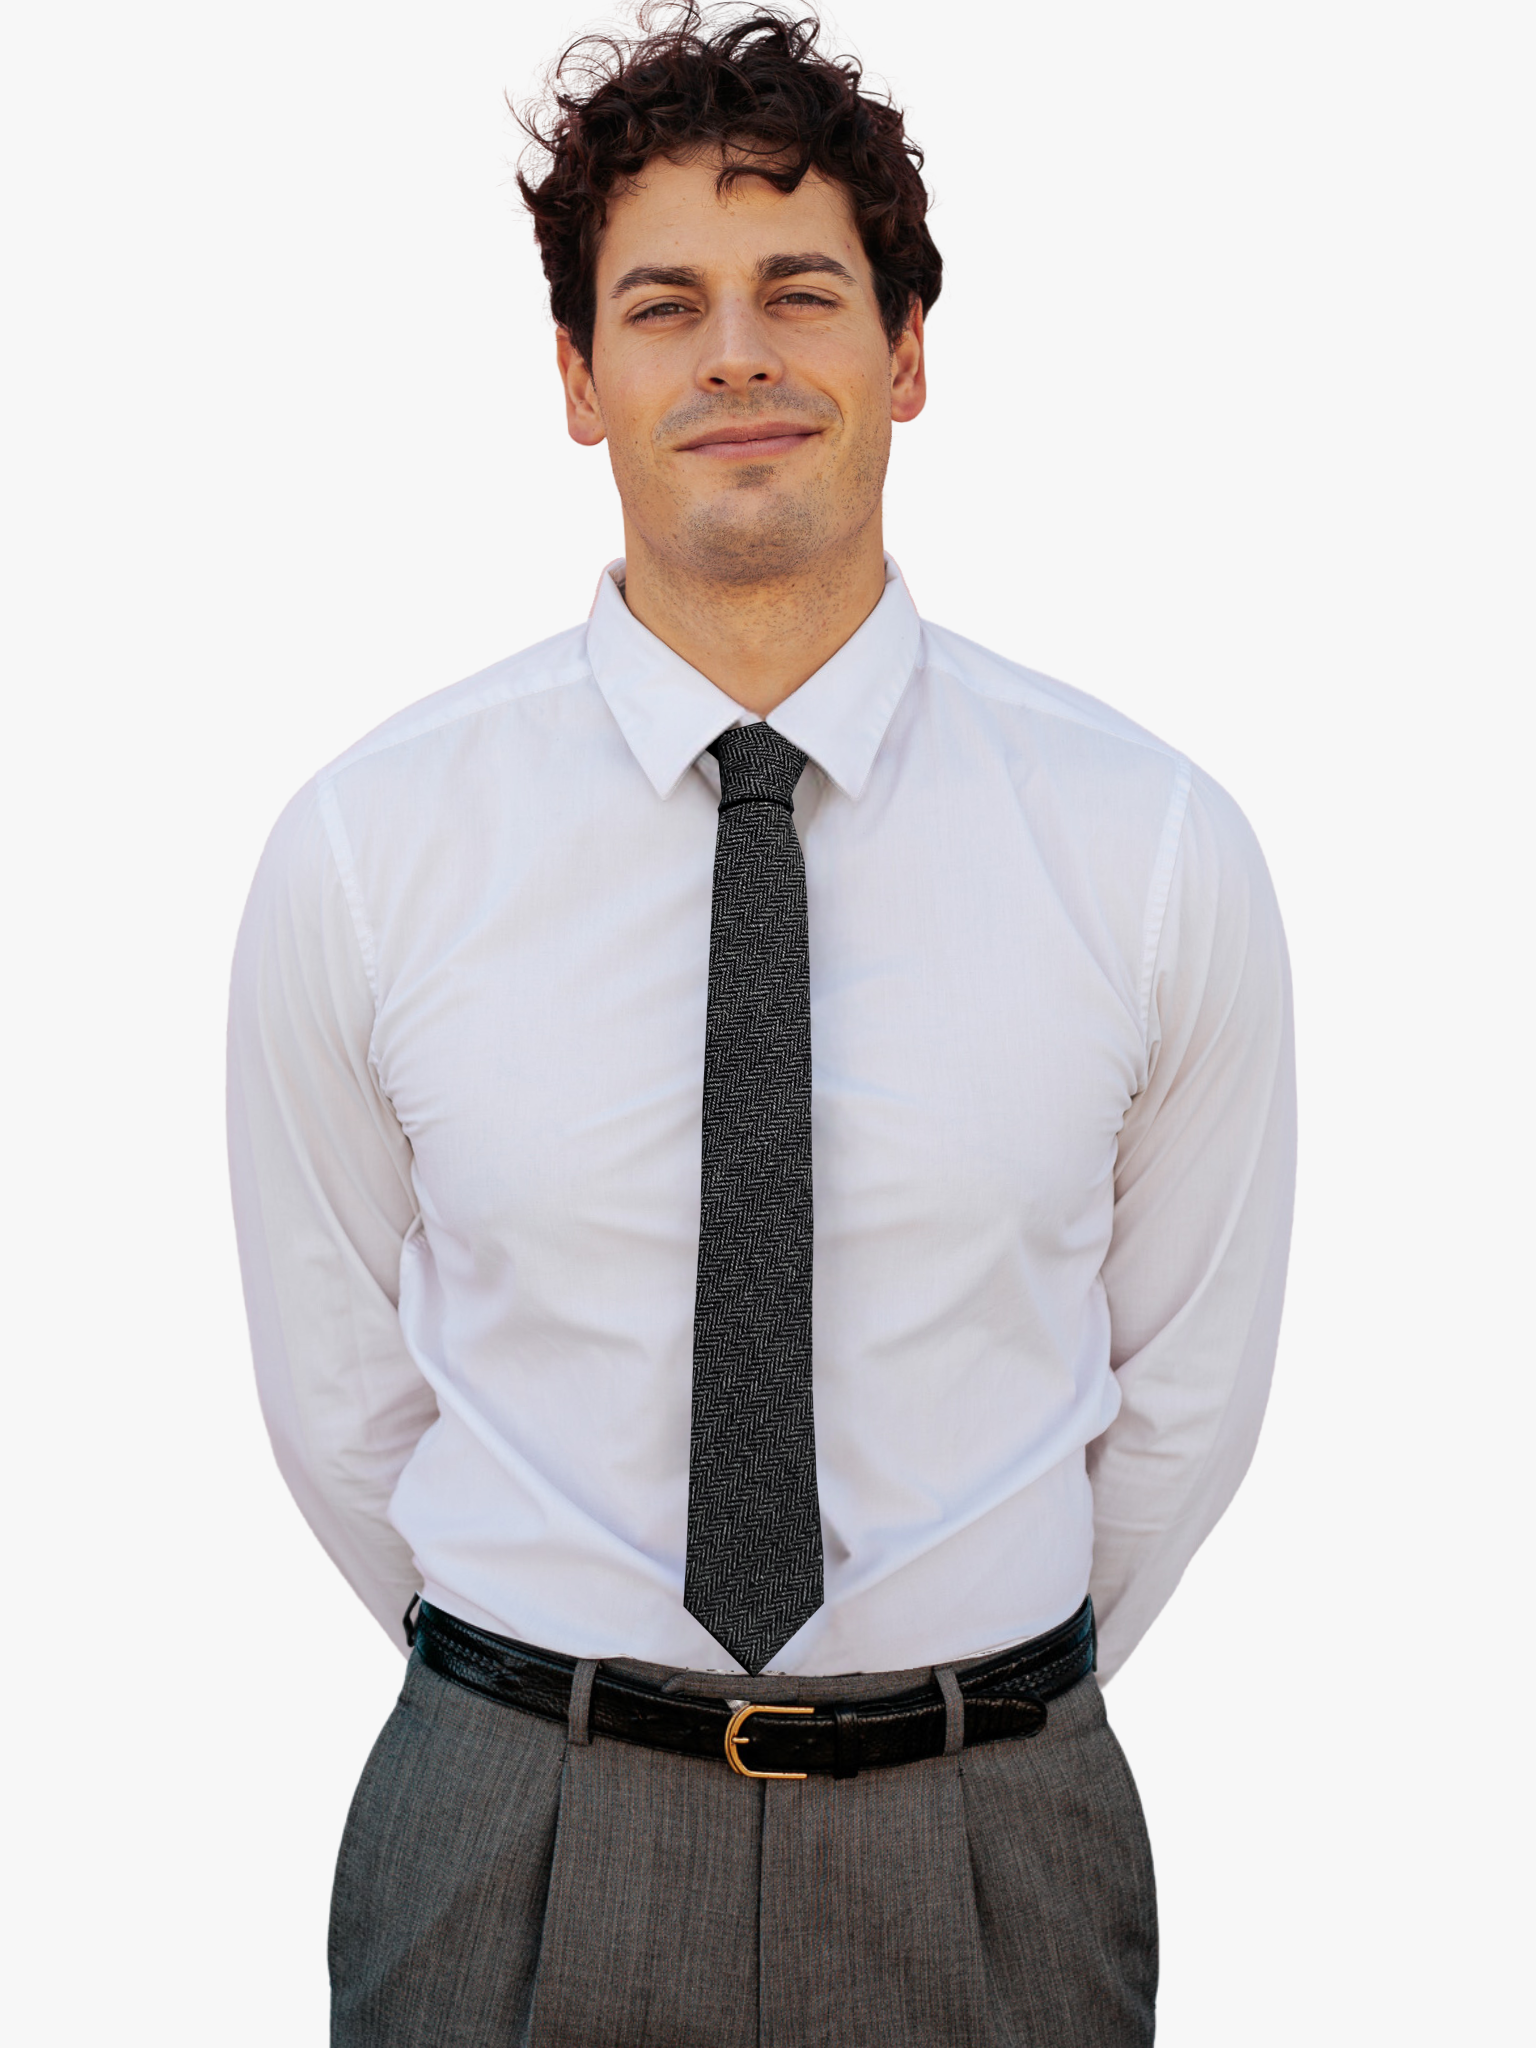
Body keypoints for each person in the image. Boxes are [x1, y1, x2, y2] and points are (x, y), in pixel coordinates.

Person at [227, 8, 1295, 2043]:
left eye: (801, 289)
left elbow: (1181, 1405)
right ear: (576, 377)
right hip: (509, 1834)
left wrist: (948, 1705)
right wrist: (567, 1709)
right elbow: (339, 1394)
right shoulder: (369, 849)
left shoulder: (1151, 847)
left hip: (992, 1837)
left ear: (904, 355)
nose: (736, 353)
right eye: (663, 304)